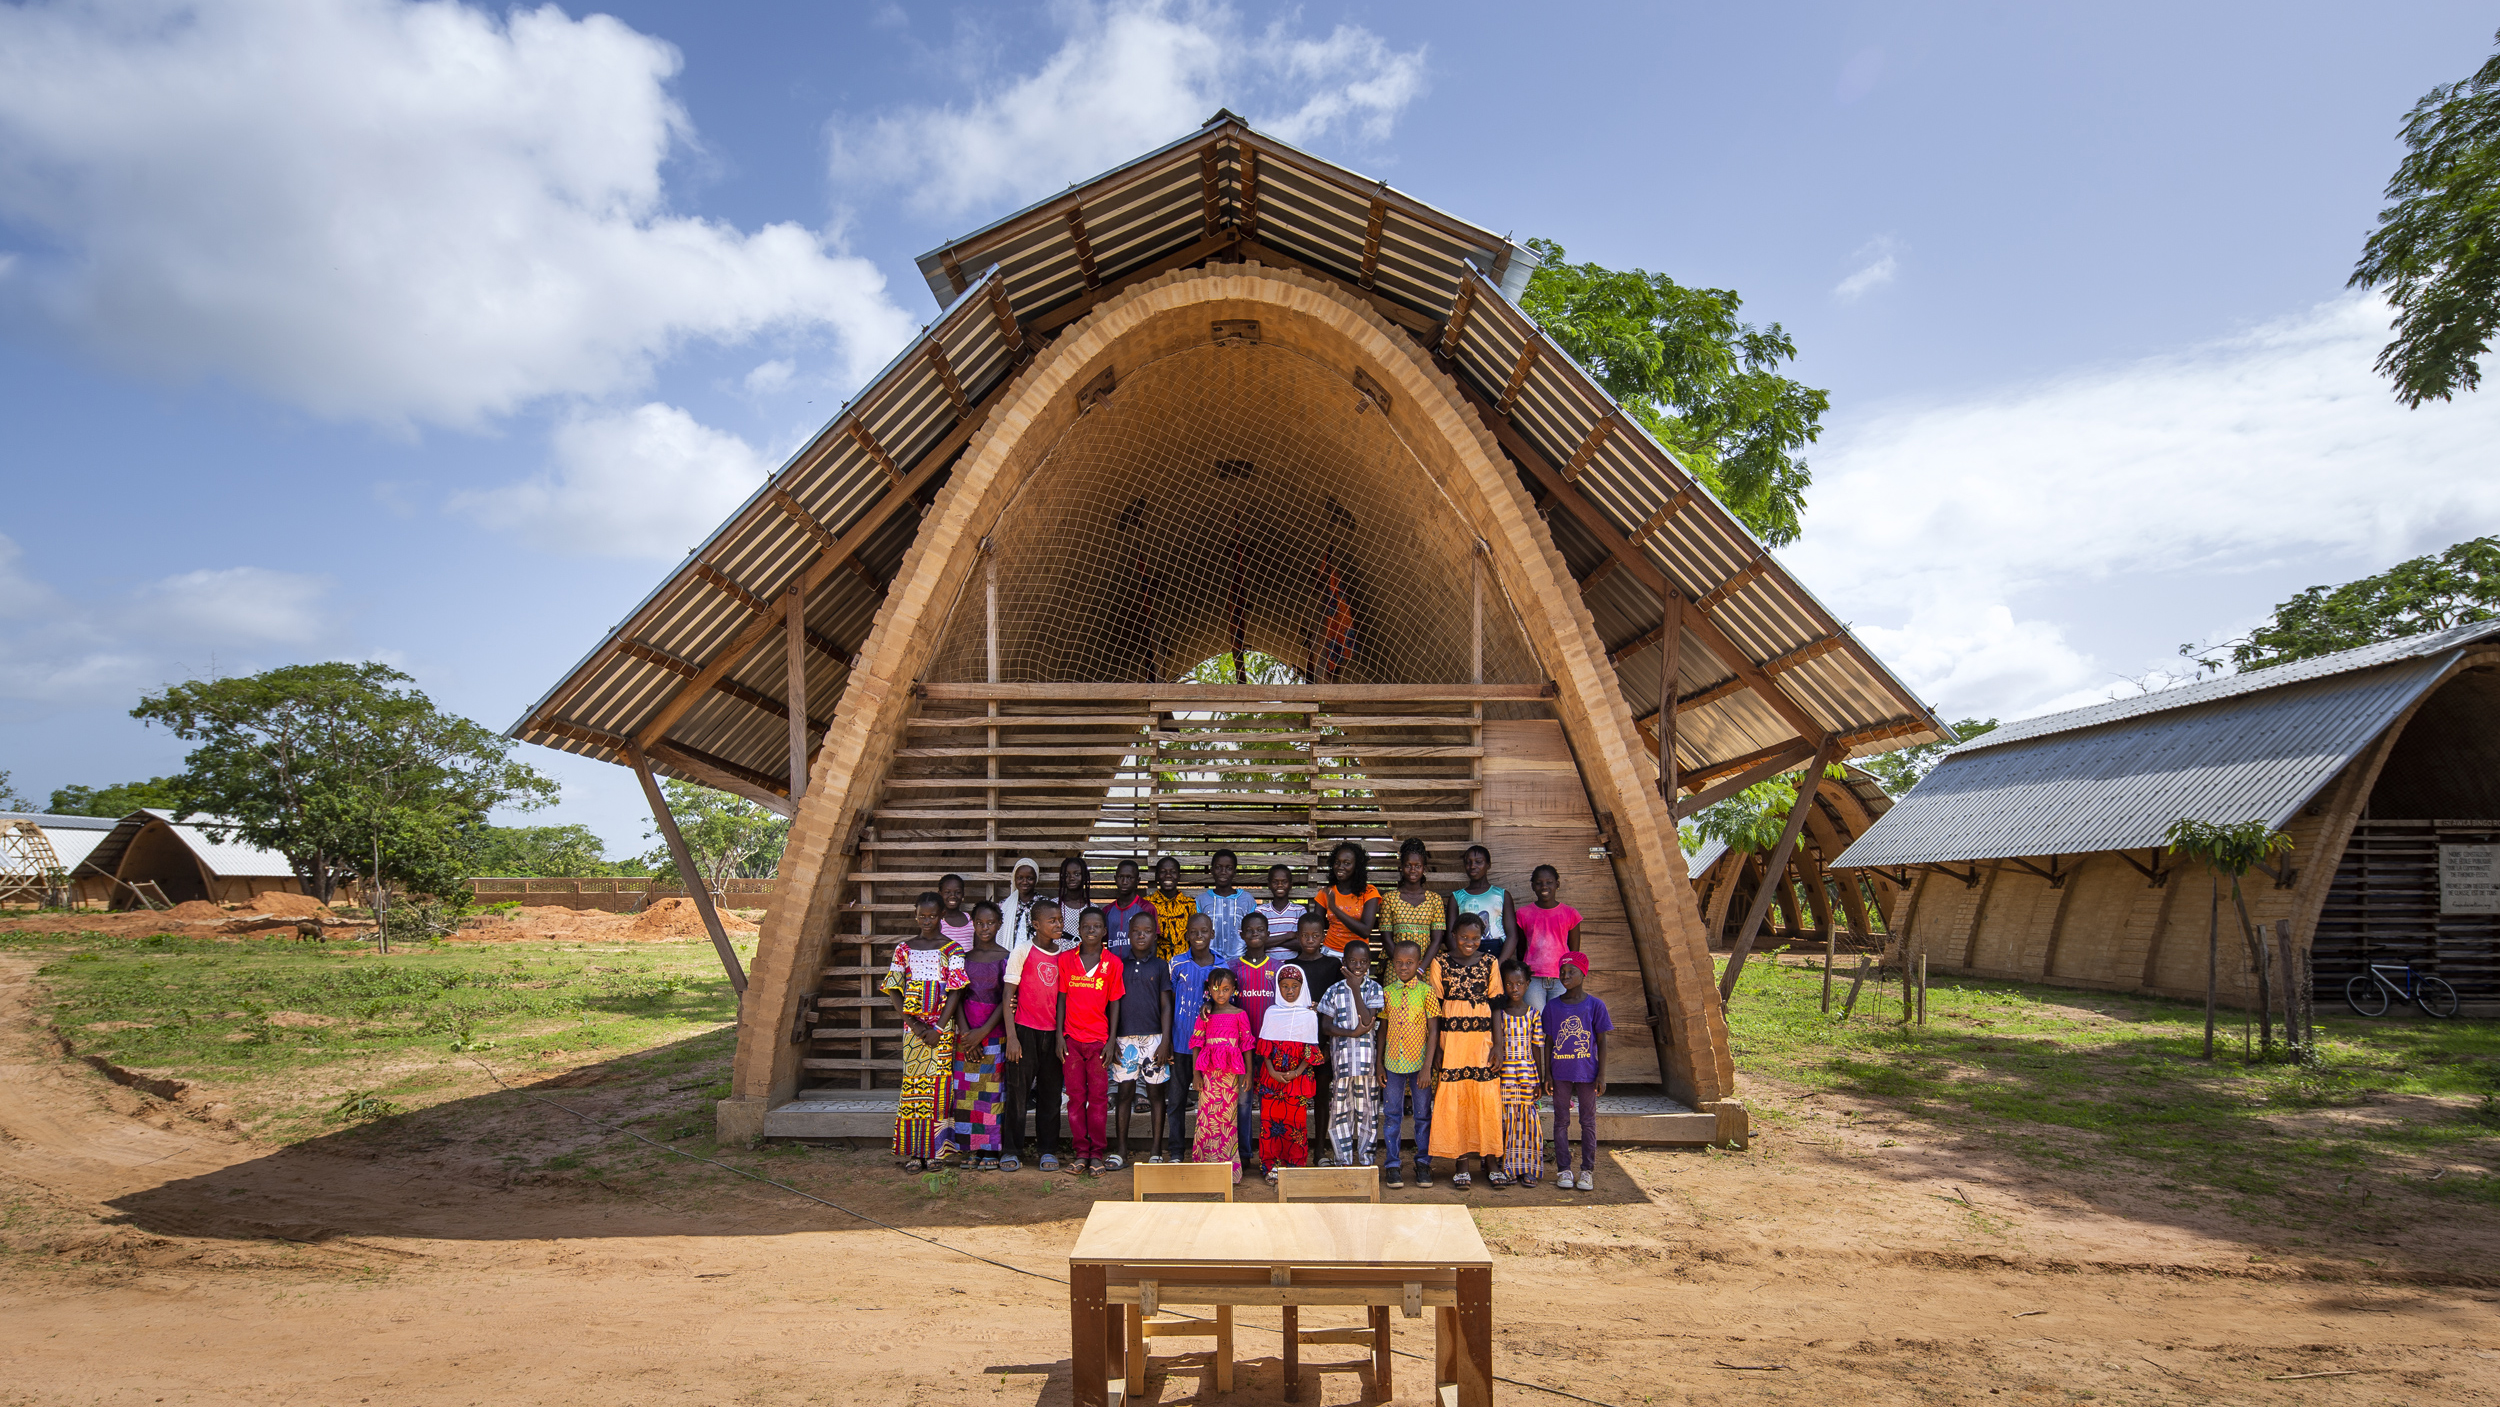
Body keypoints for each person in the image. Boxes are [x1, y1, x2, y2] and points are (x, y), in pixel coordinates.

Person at [884, 891, 967, 1171]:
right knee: (913, 1090)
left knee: (939, 1090)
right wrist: (916, 1025)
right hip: (914, 1032)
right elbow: (893, 989)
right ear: (915, 914)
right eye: (922, 915)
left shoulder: (953, 950)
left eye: (932, 916)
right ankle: (914, 1153)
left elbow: (955, 993)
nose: (927, 920)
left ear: (942, 916)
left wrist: (938, 1027)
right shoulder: (904, 949)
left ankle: (935, 1152)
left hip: (941, 1032)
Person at [1425, 913, 1504, 1191]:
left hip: (1481, 1042)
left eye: (1475, 938)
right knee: (1454, 1100)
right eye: (1463, 937)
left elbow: (1496, 1006)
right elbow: (1434, 1009)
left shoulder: (1490, 962)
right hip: (1452, 1043)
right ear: (1453, 936)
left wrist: (1499, 1044)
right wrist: (1434, 1049)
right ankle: (1460, 1162)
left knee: (1485, 1098)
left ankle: (1492, 1160)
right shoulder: (1440, 963)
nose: (1469, 942)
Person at [1001, 902, 1076, 1171]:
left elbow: (1063, 1000)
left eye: (1059, 920)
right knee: (1018, 1093)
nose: (1058, 925)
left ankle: (1047, 1150)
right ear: (1036, 924)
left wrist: (1060, 1036)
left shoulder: (1065, 955)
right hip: (1024, 1032)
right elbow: (1008, 995)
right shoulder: (1022, 950)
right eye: (1052, 921)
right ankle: (1011, 1150)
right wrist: (1012, 1037)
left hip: (1053, 1034)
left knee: (1051, 1094)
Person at [1056, 908, 1124, 1175]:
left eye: (1097, 926)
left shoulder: (1113, 963)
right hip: (1071, 1040)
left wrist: (1111, 1041)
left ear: (1104, 931)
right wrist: (1060, 1036)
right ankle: (1080, 1152)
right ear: (1080, 929)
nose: (1091, 930)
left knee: (1097, 1099)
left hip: (1099, 1042)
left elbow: (1115, 1004)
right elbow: (1061, 1000)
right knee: (1075, 1098)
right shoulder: (1066, 960)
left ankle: (1097, 1153)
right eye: (1086, 926)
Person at [1544, 952, 1612, 1191]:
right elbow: (1549, 1042)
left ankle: (1586, 1171)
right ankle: (1563, 1169)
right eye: (1562, 972)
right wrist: (1547, 1074)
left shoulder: (1595, 1005)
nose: (1565, 976)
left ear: (1584, 973)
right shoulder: (1552, 1007)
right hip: (1560, 1072)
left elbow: (1602, 1042)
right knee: (1560, 1121)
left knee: (1588, 1122)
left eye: (1571, 971)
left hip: (1588, 1073)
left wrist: (1602, 1075)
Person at [1109, 911, 1172, 1167]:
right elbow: (1112, 1003)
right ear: (1128, 934)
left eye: (1147, 930)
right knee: (1124, 1095)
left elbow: (1166, 1006)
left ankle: (1156, 1150)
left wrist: (1165, 1041)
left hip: (1154, 1039)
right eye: (1136, 931)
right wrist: (1112, 1039)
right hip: (1125, 1040)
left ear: (1153, 933)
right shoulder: (1118, 965)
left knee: (1156, 1096)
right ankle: (1121, 1151)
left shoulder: (1159, 965)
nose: (1142, 935)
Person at [952, 900, 1011, 1169]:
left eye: (990, 923)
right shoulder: (963, 958)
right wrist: (966, 1035)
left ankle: (990, 1149)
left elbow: (1006, 1000)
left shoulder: (1005, 956)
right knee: (967, 1093)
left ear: (999, 924)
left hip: (994, 1033)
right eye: (979, 923)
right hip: (965, 1036)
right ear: (973, 924)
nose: (985, 928)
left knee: (991, 1092)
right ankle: (971, 1148)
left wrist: (982, 1033)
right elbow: (957, 998)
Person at [1317, 937, 1386, 1170]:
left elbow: (1367, 1020)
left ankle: (1366, 1162)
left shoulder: (1375, 988)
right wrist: (1352, 1033)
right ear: (1344, 962)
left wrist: (1356, 988)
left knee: (1368, 1114)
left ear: (1369, 963)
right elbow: (1326, 1027)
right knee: (1340, 1114)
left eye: (1363, 961)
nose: (1358, 966)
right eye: (1353, 961)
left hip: (1367, 1066)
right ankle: (1343, 1162)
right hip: (1342, 1063)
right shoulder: (1333, 991)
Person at [1254, 963, 1326, 1181]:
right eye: (1284, 986)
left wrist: (1295, 1073)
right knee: (1270, 1121)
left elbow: (1311, 1051)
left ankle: (1294, 1166)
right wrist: (1273, 1072)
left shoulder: (1309, 1016)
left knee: (1295, 1123)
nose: (1289, 990)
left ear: (1302, 987)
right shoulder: (1271, 1013)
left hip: (1298, 1078)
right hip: (1272, 1078)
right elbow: (1265, 1050)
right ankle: (1271, 1167)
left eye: (1294, 986)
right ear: (1278, 988)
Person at [1162, 914, 1226, 1157]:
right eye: (1194, 932)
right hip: (1180, 1044)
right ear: (1187, 935)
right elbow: (1167, 1004)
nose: (1199, 936)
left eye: (1204, 931)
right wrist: (1166, 1040)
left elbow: (1226, 1005)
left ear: (1212, 934)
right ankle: (1176, 1151)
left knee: (1210, 1103)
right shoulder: (1177, 964)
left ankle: (1209, 1150)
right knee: (1176, 1100)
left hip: (1211, 1048)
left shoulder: (1222, 966)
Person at [1377, 938, 1438, 1189]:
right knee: (1392, 1114)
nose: (1404, 967)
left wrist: (1427, 1067)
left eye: (1410, 963)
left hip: (1419, 1064)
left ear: (1419, 963)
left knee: (1423, 1115)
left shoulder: (1426, 991)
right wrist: (1379, 1064)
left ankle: (1423, 1162)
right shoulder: (1388, 992)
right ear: (1393, 963)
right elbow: (1383, 1029)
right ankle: (1392, 1164)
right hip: (1392, 1063)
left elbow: (1434, 1031)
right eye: (1399, 962)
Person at [1287, 911, 1344, 1162]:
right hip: (1296, 1042)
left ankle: (1320, 1150)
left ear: (1323, 936)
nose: (1310, 939)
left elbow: (1342, 1003)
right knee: (1294, 1097)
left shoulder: (1333, 966)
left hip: (1323, 1041)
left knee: (1322, 1096)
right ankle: (1293, 1149)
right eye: (1305, 935)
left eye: (1315, 935)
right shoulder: (1290, 967)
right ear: (1298, 937)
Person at [1229, 913, 1285, 1168]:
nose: (1254, 934)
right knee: (1243, 1100)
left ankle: (1269, 1154)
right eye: (1249, 930)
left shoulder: (1278, 968)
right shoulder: (1232, 968)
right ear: (1241, 934)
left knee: (1270, 1101)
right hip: (1241, 1049)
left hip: (1270, 1046)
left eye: (1260, 930)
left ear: (1268, 935)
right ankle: (1244, 1154)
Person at [1189, 968, 1254, 1182]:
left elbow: (1246, 1045)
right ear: (1209, 990)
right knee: (1206, 1119)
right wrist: (1196, 1075)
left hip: (1230, 1077)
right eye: (1216, 989)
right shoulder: (1205, 1015)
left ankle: (1228, 1170)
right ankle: (1204, 1169)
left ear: (1233, 990)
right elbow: (1197, 1044)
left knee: (1227, 1120)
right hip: (1209, 1075)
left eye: (1226, 989)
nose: (1221, 994)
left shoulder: (1239, 1015)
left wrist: (1248, 1073)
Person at [1493, 958, 1548, 1189]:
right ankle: (1508, 1167)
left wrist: (1540, 1078)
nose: (1514, 988)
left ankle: (1528, 1168)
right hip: (1504, 1075)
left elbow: (1537, 1047)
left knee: (1527, 1123)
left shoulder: (1534, 1014)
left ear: (1527, 984)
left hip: (1526, 1074)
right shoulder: (1499, 1014)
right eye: (1509, 984)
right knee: (1505, 1121)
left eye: (1519, 983)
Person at [1514, 864, 1584, 1014]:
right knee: (1537, 1022)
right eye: (1539, 883)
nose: (1544, 886)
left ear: (1557, 884)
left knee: (1559, 1021)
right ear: (1533, 886)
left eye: (1549, 882)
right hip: (1533, 979)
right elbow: (1520, 949)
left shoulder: (1570, 914)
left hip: (1561, 978)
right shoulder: (1523, 914)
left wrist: (1570, 977)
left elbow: (1574, 953)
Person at [1378, 838, 1443, 981]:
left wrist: (1419, 970)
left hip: (1425, 968)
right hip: (1396, 969)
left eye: (1417, 866)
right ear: (1401, 867)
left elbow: (1436, 941)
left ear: (1424, 868)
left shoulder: (1435, 900)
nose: (1413, 870)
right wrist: (1402, 967)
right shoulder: (1389, 899)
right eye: (1408, 865)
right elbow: (1386, 939)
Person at [1447, 844, 1517, 970]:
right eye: (1468, 862)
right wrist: (1462, 961)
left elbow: (1512, 935)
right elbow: (1450, 935)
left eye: (1478, 862)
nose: (1473, 866)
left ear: (1488, 865)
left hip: (1497, 953)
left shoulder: (1502, 895)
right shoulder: (1457, 897)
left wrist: (1499, 964)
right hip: (1465, 952)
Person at [1314, 840, 1379, 959]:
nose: (1340, 867)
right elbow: (1316, 928)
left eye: (1347, 863)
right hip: (1330, 952)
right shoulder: (1325, 893)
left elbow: (1365, 931)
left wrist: (1334, 908)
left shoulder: (1369, 892)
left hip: (1358, 955)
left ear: (1357, 867)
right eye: (1337, 862)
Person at [1198, 849, 1258, 962]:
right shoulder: (1201, 900)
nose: (1223, 872)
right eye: (1218, 867)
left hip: (1241, 961)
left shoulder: (1247, 900)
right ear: (1212, 870)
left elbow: (1254, 932)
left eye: (1229, 868)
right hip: (1210, 962)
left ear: (1234, 872)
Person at [1102, 859, 1153, 961]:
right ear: (1115, 879)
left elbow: (1153, 943)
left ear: (1138, 881)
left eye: (1129, 878)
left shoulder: (1146, 908)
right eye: (1121, 877)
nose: (1124, 882)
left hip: (1139, 969)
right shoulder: (1107, 910)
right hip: (1113, 969)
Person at [1149, 855, 1198, 961]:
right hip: (1156, 964)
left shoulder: (1190, 905)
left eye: (1173, 872)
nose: (1168, 875)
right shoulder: (1148, 904)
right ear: (1157, 876)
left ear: (1179, 876)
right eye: (1163, 871)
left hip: (1184, 964)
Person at [1252, 864, 1306, 955]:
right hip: (1267, 966)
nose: (1280, 885)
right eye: (1275, 882)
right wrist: (1289, 936)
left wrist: (1270, 941)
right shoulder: (1261, 911)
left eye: (1284, 882)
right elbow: (1257, 942)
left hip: (1292, 965)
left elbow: (1303, 943)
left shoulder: (1299, 911)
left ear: (1290, 885)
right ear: (1269, 885)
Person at [999, 857, 1045, 954]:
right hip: (1010, 958)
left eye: (1030, 878)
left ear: (1036, 879)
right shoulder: (1004, 905)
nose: (1024, 882)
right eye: (1020, 878)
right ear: (1014, 878)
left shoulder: (1044, 904)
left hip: (1036, 958)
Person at [1056, 857, 1096, 938]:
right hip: (1059, 950)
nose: (1071, 878)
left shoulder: (1092, 908)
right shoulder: (1054, 905)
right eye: (1066, 875)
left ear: (1085, 877)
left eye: (1077, 874)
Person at [937, 873, 974, 952]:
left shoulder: (970, 919)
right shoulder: (938, 921)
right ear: (940, 894)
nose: (953, 896)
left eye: (958, 892)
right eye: (947, 892)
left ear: (963, 894)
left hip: (968, 964)